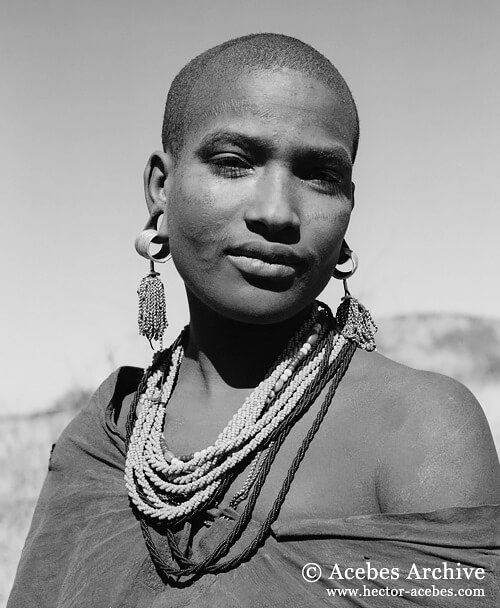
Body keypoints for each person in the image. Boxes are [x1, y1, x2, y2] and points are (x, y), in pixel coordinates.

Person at [8, 33, 500, 607]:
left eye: (319, 175)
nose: (276, 212)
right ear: (160, 188)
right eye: (233, 163)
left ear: (349, 206)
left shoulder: (421, 430)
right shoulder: (108, 432)